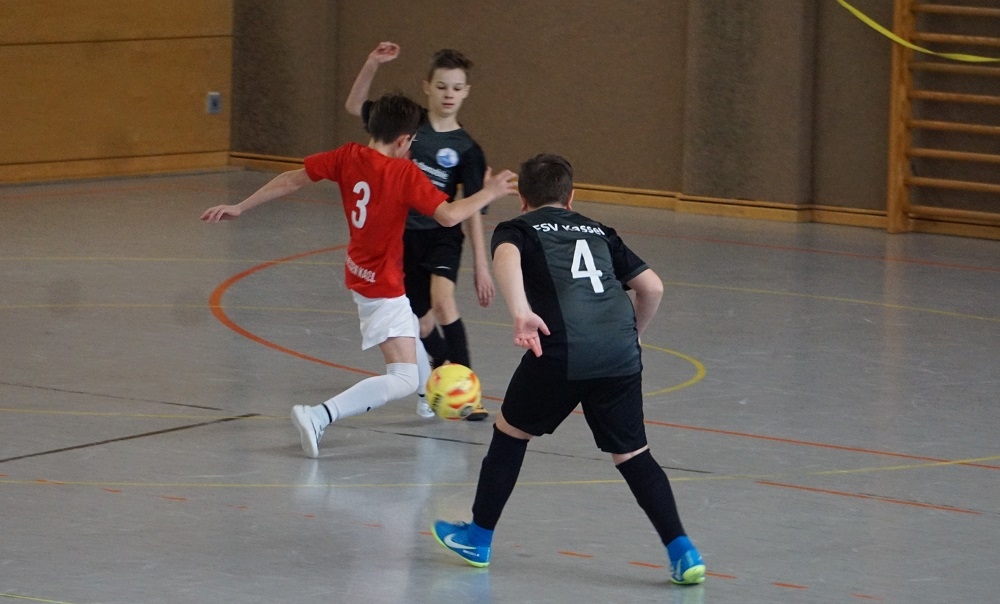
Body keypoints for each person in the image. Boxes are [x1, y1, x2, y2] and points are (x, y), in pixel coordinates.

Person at [431, 154, 706, 586]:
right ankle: (683, 552)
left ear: (523, 199)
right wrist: (634, 334)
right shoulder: (600, 231)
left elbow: (506, 257)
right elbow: (652, 287)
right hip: (618, 354)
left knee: (510, 434)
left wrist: (520, 310)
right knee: (633, 454)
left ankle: (477, 538)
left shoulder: (517, 229)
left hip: (560, 349)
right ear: (571, 197)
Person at [200, 93, 516, 458]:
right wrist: (488, 192)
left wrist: (240, 206)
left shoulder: (347, 156)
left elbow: (291, 180)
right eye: (412, 142)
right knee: (401, 377)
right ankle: (319, 415)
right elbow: (448, 215)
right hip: (382, 286)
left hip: (361, 271)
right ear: (403, 141)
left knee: (412, 323)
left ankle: (426, 396)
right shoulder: (402, 173)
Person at [345, 42, 492, 421]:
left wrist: (482, 264)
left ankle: (468, 392)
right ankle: (441, 377)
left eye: (456, 88)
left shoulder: (468, 149)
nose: (448, 94)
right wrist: (371, 63)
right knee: (422, 322)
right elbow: (354, 105)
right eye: (441, 86)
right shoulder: (407, 125)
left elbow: (473, 208)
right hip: (402, 238)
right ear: (427, 87)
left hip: (442, 234)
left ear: (466, 92)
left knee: (444, 302)